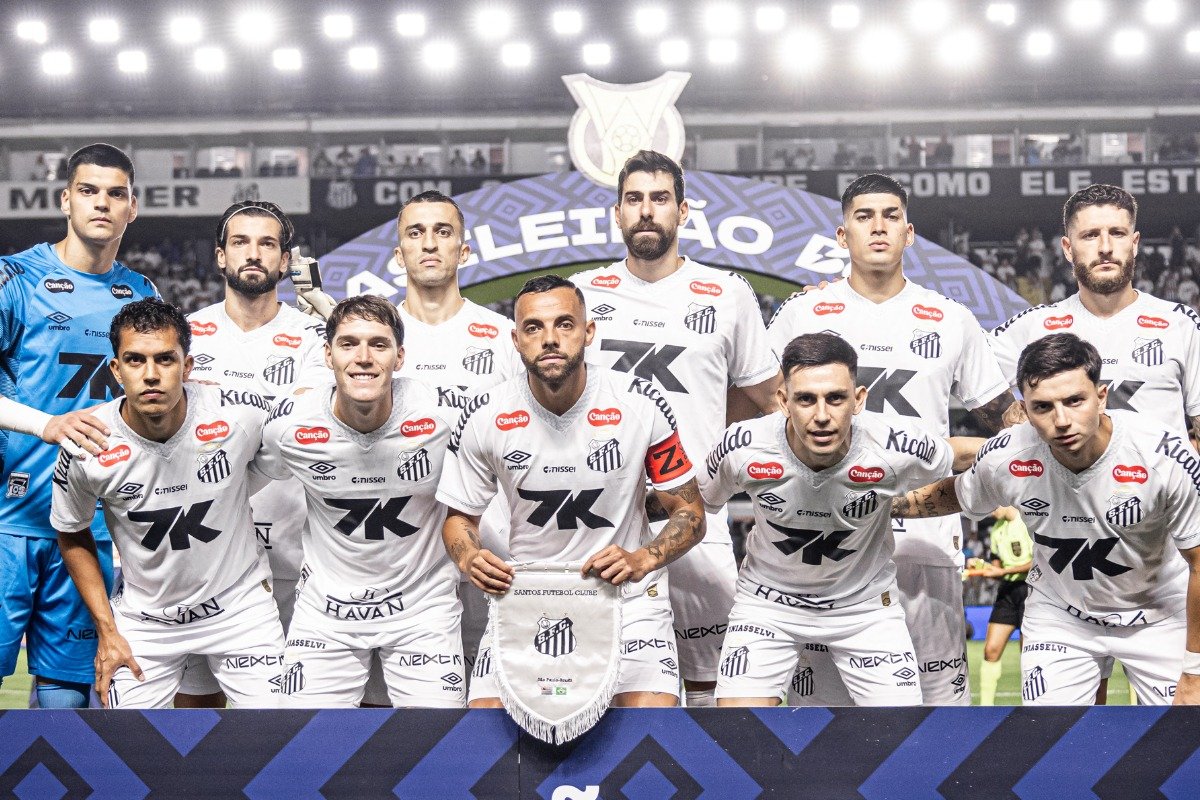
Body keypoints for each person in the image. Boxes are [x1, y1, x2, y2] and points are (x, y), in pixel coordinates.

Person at [767, 173, 1013, 705]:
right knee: (821, 715)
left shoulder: (951, 319)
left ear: (909, 232)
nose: (878, 227)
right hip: (826, 535)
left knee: (936, 707)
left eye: (890, 216)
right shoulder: (802, 313)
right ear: (841, 235)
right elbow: (772, 415)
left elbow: (1008, 422)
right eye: (863, 216)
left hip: (924, 534)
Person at [437, 275, 707, 708]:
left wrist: (643, 558)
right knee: (485, 739)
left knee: (648, 733)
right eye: (533, 328)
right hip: (527, 596)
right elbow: (458, 519)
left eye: (564, 324)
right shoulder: (486, 415)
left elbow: (690, 512)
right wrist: (469, 556)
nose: (549, 339)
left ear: (588, 332)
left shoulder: (639, 401)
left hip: (628, 599)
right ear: (515, 340)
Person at [571, 150, 781, 707]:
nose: (647, 211)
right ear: (616, 213)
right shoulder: (580, 294)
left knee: (714, 694)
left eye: (660, 199)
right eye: (634, 199)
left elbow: (772, 399)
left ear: (683, 211)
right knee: (602, 690)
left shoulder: (727, 293)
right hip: (600, 524)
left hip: (695, 523)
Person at [893, 333, 1200, 706]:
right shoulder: (1008, 455)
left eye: (1075, 401)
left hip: (1159, 615)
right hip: (1061, 617)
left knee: (1183, 742)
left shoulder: (1164, 456)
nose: (1062, 421)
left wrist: (1195, 669)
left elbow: (1199, 563)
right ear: (1024, 409)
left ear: (1101, 396)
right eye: (1043, 407)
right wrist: (884, 506)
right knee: (1055, 742)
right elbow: (953, 494)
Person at [703, 333, 981, 706]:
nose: (821, 416)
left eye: (835, 398)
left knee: (896, 742)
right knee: (739, 733)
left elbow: (959, 454)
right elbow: (694, 502)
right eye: (805, 399)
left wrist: (1034, 442)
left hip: (865, 609)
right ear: (784, 401)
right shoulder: (740, 446)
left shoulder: (893, 444)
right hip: (767, 606)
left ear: (858, 399)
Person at [52, 299, 284, 708]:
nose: (151, 375)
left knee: (281, 734)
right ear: (115, 371)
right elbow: (71, 531)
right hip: (146, 623)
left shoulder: (239, 417)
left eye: (165, 359)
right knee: (128, 751)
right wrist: (107, 629)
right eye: (135, 360)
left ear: (188, 367)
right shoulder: (86, 444)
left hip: (239, 609)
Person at [0, 143, 157, 709]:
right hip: (7, 522)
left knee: (68, 698)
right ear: (66, 199)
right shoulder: (14, 279)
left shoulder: (141, 295)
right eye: (88, 191)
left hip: (88, 533)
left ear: (132, 209)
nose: (102, 204)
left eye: (116, 194)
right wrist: (46, 425)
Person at [254, 296, 463, 707]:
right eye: (349, 344)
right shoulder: (289, 426)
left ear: (400, 357)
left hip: (423, 612)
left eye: (379, 345)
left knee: (438, 748)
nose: (364, 358)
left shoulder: (444, 417)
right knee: (302, 749)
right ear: (327, 354)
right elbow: (228, 481)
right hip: (325, 616)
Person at [176, 201, 329, 707]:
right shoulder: (186, 335)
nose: (254, 253)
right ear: (220, 257)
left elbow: (301, 437)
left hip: (295, 556)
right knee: (193, 710)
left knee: (283, 717)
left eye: (268, 244)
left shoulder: (314, 339)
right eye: (240, 242)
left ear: (286, 261)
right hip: (202, 556)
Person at [392, 190, 521, 679]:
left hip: (489, 536)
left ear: (464, 251)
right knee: (410, 707)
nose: (429, 244)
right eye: (416, 233)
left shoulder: (502, 335)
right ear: (398, 253)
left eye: (443, 232)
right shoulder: (376, 336)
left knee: (496, 686)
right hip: (402, 539)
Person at [992, 184, 1200, 441]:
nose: (1105, 247)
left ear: (1134, 244)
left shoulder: (1180, 324)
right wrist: (1020, 430)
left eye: (1117, 233)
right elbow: (967, 366)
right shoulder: (1033, 326)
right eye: (1090, 235)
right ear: (1068, 248)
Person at [972, 506, 1033, 706]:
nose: (989, 511)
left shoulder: (1026, 522)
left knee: (1028, 655)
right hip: (1007, 591)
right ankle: (984, 709)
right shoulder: (997, 528)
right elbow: (997, 566)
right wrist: (981, 567)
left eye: (992, 505)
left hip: (1031, 590)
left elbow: (1038, 562)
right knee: (991, 650)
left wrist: (1002, 572)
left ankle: (1031, 706)